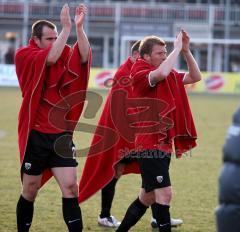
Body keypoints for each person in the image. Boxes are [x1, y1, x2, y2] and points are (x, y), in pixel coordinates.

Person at [78, 41, 182, 228]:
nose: (159, 58)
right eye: (156, 54)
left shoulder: (142, 71)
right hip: (123, 136)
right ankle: (105, 214)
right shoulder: (127, 74)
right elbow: (120, 109)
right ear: (136, 55)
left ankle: (158, 216)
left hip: (140, 136)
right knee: (115, 171)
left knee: (152, 177)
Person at [15, 4, 91, 232]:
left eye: (55, 37)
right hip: (36, 134)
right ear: (36, 40)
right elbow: (50, 57)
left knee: (71, 187)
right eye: (49, 38)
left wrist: (78, 28)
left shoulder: (61, 50)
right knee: (30, 190)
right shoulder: (24, 54)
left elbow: (85, 55)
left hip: (61, 136)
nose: (55, 41)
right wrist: (66, 28)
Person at [116, 30, 201, 232]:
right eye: (160, 53)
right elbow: (161, 73)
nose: (164, 56)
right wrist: (176, 49)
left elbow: (195, 76)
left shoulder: (168, 75)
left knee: (148, 197)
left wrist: (186, 52)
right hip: (149, 144)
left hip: (162, 144)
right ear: (146, 56)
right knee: (165, 194)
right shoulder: (139, 73)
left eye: (165, 53)